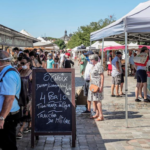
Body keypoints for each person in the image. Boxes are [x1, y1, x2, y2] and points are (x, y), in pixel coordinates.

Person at [0, 51, 21, 150]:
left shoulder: (9, 75)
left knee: (8, 145)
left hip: (8, 116)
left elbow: (9, 98)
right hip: (7, 115)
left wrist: (2, 118)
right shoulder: (6, 72)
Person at [16, 56, 32, 139]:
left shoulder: (31, 73)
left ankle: (20, 130)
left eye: (23, 63)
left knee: (25, 112)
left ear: (28, 63)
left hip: (28, 97)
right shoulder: (19, 72)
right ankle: (29, 125)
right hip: (19, 96)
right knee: (22, 113)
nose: (21, 65)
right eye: (20, 63)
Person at [88, 54, 104, 121]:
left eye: (92, 59)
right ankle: (97, 113)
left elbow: (102, 76)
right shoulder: (94, 66)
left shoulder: (99, 65)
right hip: (93, 85)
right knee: (94, 99)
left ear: (95, 59)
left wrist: (101, 86)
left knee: (98, 100)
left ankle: (101, 115)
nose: (91, 61)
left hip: (97, 85)